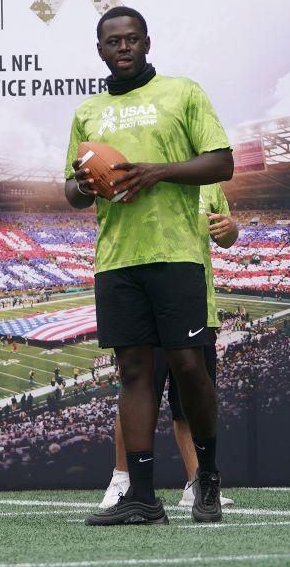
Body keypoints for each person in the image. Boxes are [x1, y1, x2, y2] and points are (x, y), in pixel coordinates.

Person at [67, 7, 233, 526]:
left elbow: (222, 161)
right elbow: (71, 190)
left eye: (132, 39)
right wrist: (83, 185)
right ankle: (141, 497)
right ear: (100, 49)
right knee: (134, 374)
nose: (123, 47)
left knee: (188, 367)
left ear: (146, 43)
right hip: (117, 259)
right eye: (113, 41)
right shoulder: (88, 110)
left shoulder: (183, 93)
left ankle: (206, 480)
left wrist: (157, 172)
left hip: (177, 252)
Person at [99, 183, 239, 510]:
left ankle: (195, 482)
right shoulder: (139, 175)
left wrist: (232, 229)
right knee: (137, 387)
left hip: (194, 301)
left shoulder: (210, 185)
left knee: (189, 396)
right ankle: (123, 479)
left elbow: (226, 238)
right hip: (146, 302)